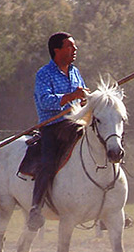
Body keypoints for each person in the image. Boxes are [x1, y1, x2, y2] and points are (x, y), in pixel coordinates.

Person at [27, 32, 89, 232]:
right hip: (53, 127)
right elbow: (45, 100)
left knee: (100, 147)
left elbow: (82, 96)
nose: (75, 50)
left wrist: (86, 99)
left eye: (74, 46)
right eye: (70, 46)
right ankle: (36, 208)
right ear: (57, 50)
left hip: (76, 124)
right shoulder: (44, 74)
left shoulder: (75, 72)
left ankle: (104, 205)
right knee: (48, 162)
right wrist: (70, 96)